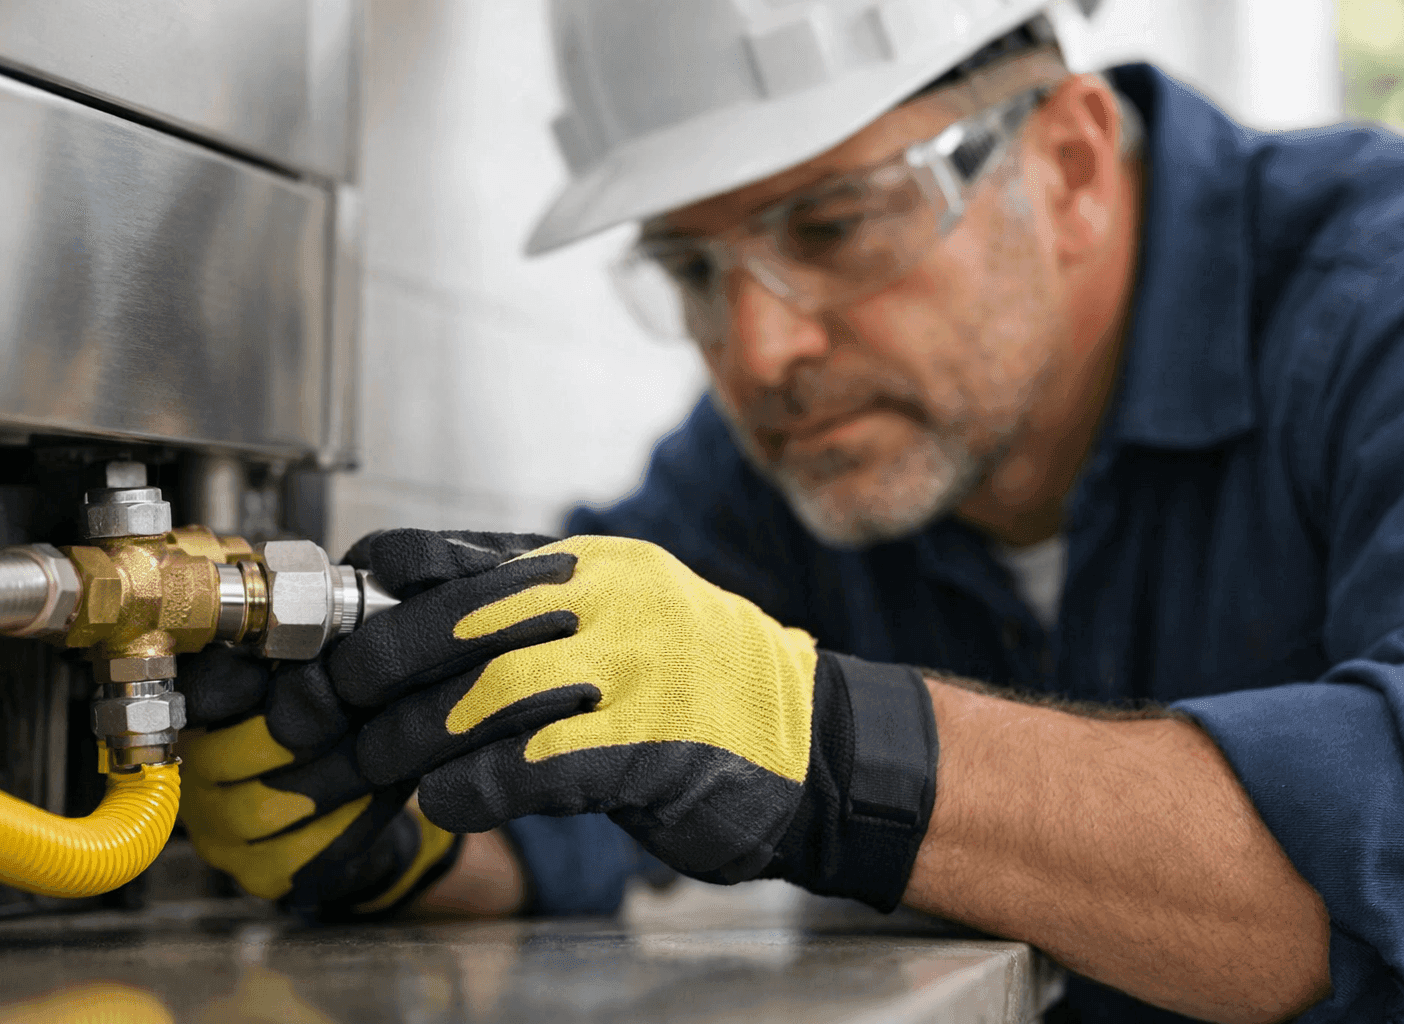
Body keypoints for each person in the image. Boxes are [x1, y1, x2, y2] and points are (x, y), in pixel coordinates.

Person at [173, 0, 1404, 1020]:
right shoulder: (800, 452)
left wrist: (831, 747)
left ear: (1072, 166)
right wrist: (403, 838)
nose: (759, 351)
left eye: (833, 225)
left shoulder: (1370, 304)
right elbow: (593, 775)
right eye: (693, 269)